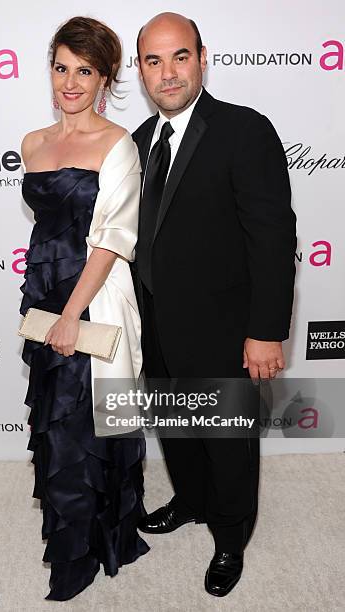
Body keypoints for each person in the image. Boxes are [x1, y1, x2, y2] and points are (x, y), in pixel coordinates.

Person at [131, 12, 297, 598]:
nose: (168, 73)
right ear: (141, 69)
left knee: (227, 441)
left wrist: (266, 331)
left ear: (203, 57)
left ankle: (231, 537)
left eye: (179, 57)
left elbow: (274, 238)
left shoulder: (244, 130)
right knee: (177, 428)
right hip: (157, 323)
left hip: (225, 327)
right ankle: (191, 501)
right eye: (154, 61)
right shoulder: (140, 141)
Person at [19, 16, 149, 602]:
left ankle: (84, 554)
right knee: (56, 421)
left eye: (86, 71)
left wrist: (72, 314)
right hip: (45, 293)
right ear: (50, 68)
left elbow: (112, 239)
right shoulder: (32, 144)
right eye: (62, 67)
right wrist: (48, 301)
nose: (71, 83)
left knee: (87, 426)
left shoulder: (118, 144)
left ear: (106, 78)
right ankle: (74, 534)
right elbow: (50, 229)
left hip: (92, 300)